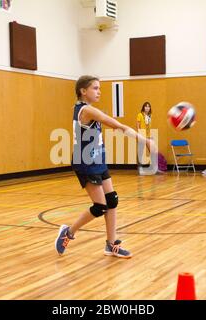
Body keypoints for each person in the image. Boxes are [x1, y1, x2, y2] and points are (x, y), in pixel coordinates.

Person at [55, 76, 157, 258]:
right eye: (95, 88)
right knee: (100, 206)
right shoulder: (86, 110)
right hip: (85, 163)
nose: (99, 91)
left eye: (99, 88)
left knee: (112, 201)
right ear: (83, 91)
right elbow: (117, 125)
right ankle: (68, 232)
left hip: (97, 159)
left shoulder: (86, 109)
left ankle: (111, 245)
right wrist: (145, 141)